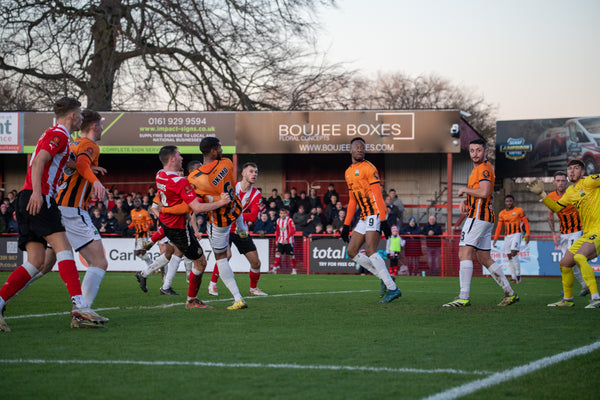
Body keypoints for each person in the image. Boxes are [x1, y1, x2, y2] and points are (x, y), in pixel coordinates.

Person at [0, 97, 107, 332]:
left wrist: (84, 167)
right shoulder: (58, 133)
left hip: (29, 199)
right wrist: (38, 193)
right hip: (40, 198)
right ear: (72, 116)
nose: (81, 117)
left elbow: (62, 161)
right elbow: (38, 161)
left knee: (37, 262)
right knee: (64, 250)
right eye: (79, 113)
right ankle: (80, 306)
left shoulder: (60, 137)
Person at [168, 138, 248, 310]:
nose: (221, 149)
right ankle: (242, 228)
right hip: (235, 209)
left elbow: (195, 203)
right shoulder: (227, 163)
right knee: (235, 204)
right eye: (218, 147)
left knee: (221, 258)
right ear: (212, 151)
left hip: (219, 221)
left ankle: (238, 298)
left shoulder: (196, 178)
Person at [148, 145, 230, 310]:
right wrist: (221, 202)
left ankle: (175, 290)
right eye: (179, 155)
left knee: (182, 257)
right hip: (179, 228)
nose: (182, 158)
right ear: (172, 159)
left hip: (169, 224)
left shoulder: (159, 175)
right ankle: (191, 300)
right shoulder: (180, 181)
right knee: (200, 262)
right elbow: (197, 209)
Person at [443, 138, 518, 307]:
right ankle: (510, 292)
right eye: (472, 151)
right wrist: (467, 201)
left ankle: (463, 297)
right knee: (484, 257)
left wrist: (465, 190)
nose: (475, 154)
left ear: (485, 152)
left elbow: (484, 192)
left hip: (478, 217)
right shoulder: (479, 169)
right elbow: (481, 193)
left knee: (464, 253)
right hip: (484, 216)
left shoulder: (483, 169)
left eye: (478, 150)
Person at [527, 159, 600, 308]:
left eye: (576, 168)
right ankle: (567, 300)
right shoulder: (571, 192)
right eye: (569, 169)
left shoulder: (591, 181)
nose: (572, 171)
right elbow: (556, 208)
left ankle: (596, 298)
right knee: (565, 263)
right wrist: (542, 194)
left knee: (579, 257)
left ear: (583, 172)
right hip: (587, 233)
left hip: (598, 230)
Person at [340, 137, 401, 303]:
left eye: (362, 148)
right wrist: (346, 225)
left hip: (375, 213)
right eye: (357, 147)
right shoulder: (348, 172)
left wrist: (384, 220)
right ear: (350, 150)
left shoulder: (369, 168)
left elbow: (378, 196)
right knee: (352, 251)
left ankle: (393, 289)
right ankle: (386, 278)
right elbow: (353, 201)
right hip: (364, 216)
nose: (360, 150)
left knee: (371, 250)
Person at [207, 161, 268, 297]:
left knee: (256, 262)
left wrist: (234, 212)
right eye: (251, 171)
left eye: (256, 172)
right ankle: (212, 284)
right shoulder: (232, 187)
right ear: (243, 173)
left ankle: (253, 288)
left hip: (241, 231)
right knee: (226, 256)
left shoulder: (256, 194)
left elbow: (252, 217)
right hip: (226, 228)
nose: (254, 174)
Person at [546, 171, 588, 296]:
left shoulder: (574, 192)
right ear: (554, 182)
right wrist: (553, 233)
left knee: (573, 259)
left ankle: (572, 290)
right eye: (558, 180)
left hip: (577, 231)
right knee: (567, 263)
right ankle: (584, 286)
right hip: (564, 233)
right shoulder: (551, 196)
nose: (560, 183)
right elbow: (550, 215)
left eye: (563, 180)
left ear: (567, 181)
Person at [493, 194, 530, 284]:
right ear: (505, 203)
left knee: (513, 252)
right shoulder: (502, 213)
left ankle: (518, 275)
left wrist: (527, 235)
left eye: (510, 201)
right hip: (507, 236)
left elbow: (526, 223)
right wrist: (495, 239)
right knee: (509, 256)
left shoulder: (519, 211)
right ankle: (513, 277)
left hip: (517, 234)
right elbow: (499, 227)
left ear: (513, 202)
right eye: (507, 201)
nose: (509, 203)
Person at [273, 208, 297, 274]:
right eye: (281, 213)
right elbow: (277, 231)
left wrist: (286, 239)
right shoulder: (278, 220)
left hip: (289, 241)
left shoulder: (290, 220)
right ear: (279, 214)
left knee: (291, 255)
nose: (282, 215)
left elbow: (293, 231)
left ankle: (294, 270)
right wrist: (276, 239)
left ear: (286, 214)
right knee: (278, 253)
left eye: (284, 213)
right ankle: (274, 269)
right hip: (280, 240)